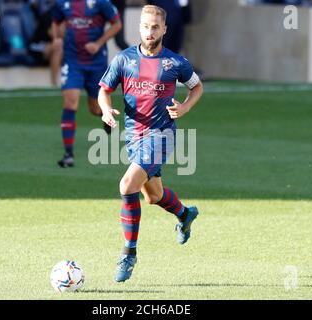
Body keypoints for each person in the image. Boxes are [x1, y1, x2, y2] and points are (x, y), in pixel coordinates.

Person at [98, 4, 203, 282]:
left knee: (126, 185)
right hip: (134, 137)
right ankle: (184, 214)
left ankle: (128, 254)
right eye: (145, 26)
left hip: (161, 135)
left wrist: (185, 108)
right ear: (139, 27)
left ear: (164, 29)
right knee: (153, 196)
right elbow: (103, 91)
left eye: (155, 26)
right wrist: (106, 110)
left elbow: (197, 86)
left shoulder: (175, 63)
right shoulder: (123, 60)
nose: (149, 31)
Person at [52, 0, 122, 167]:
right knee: (70, 102)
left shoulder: (101, 2)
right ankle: (68, 154)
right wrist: (56, 38)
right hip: (72, 61)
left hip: (96, 63)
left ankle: (106, 116)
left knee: (95, 108)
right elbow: (56, 21)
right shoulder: (62, 3)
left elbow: (117, 24)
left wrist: (98, 43)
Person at [28, 0, 62, 86]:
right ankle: (53, 83)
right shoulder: (49, 15)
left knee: (59, 48)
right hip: (37, 46)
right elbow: (53, 34)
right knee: (58, 47)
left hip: (50, 46)